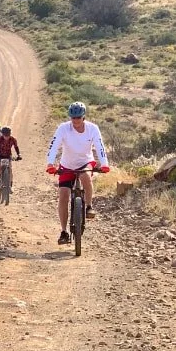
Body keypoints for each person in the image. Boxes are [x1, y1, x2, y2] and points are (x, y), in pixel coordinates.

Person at [45, 102, 110, 246]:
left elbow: (100, 146)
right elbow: (54, 145)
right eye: (73, 118)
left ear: (83, 117)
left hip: (85, 162)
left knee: (86, 176)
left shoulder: (93, 129)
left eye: (78, 118)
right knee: (63, 195)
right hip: (67, 165)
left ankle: (89, 206)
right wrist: (50, 164)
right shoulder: (63, 128)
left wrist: (104, 164)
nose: (75, 121)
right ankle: (64, 231)